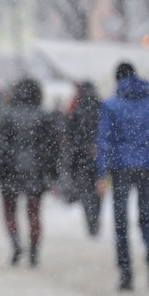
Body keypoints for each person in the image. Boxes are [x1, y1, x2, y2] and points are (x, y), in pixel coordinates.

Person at [96, 61, 149, 291]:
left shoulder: (111, 105)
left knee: (121, 222)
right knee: (146, 218)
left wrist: (102, 173)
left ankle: (126, 273)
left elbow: (105, 142)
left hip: (121, 169)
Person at [0, 76, 59, 267]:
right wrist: (52, 171)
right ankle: (34, 251)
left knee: (10, 211)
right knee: (34, 212)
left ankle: (16, 244)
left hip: (10, 169)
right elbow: (51, 147)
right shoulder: (44, 116)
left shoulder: (6, 115)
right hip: (35, 170)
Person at [62, 82, 103, 237]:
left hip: (80, 156)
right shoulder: (100, 106)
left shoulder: (75, 106)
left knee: (86, 190)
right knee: (98, 189)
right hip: (98, 155)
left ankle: (91, 221)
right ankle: (96, 218)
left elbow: (68, 131)